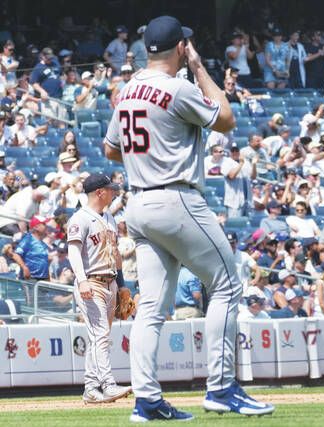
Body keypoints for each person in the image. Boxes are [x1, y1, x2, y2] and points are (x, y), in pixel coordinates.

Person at [103, 16, 274, 421]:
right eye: (187, 46)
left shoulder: (128, 91)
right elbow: (227, 120)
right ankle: (222, 388)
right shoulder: (178, 87)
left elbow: (111, 150)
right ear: (181, 47)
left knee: (152, 309)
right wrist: (198, 67)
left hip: (138, 205)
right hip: (174, 198)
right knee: (228, 285)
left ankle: (146, 400)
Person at [66, 173, 132, 404]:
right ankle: (108, 384)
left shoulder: (110, 218)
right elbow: (73, 251)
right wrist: (81, 279)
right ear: (99, 192)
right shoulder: (79, 218)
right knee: (101, 335)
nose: (114, 192)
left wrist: (122, 285)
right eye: (110, 189)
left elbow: (115, 253)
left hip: (111, 282)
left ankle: (91, 389)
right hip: (91, 281)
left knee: (98, 338)